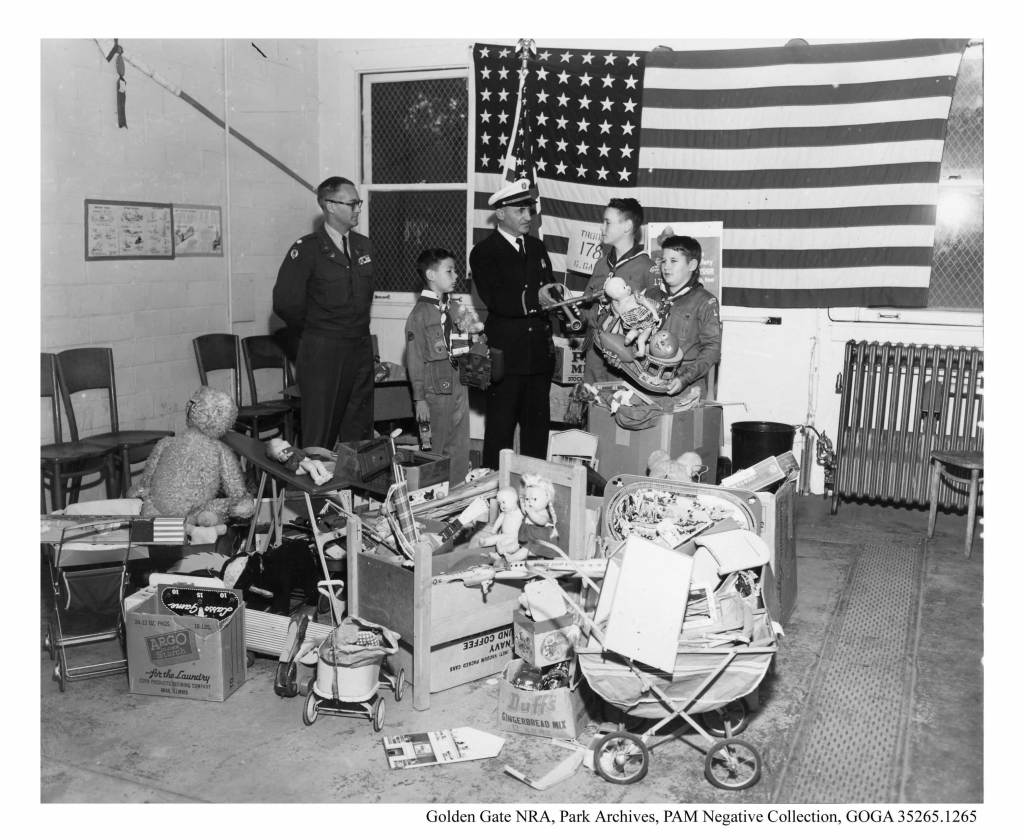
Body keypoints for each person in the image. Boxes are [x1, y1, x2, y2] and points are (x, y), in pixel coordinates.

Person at [272, 176, 375, 450]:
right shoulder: (306, 249)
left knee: (360, 431)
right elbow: (285, 303)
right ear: (330, 205)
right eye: (352, 203)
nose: (357, 209)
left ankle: (355, 492)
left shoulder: (364, 246)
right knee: (320, 431)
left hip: (360, 347)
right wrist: (318, 330)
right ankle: (314, 491)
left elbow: (364, 296)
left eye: (358, 203)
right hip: (323, 349)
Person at [469, 179, 555, 469]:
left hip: (538, 358)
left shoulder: (537, 247)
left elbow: (550, 290)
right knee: (499, 432)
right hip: (506, 360)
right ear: (501, 213)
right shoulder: (483, 252)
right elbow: (498, 301)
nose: (527, 217)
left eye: (529, 210)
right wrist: (537, 298)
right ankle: (494, 493)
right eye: (520, 211)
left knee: (537, 434)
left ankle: (536, 493)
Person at [404, 248, 470, 486]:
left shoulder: (454, 309)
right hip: (434, 391)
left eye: (455, 270)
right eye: (449, 271)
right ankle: (431, 500)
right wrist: (419, 398)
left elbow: (464, 346)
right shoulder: (419, 315)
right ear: (431, 275)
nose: (455, 276)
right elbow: (414, 359)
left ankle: (458, 492)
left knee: (460, 445)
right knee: (433, 448)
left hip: (459, 385)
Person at [581, 198, 656, 383]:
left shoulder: (647, 267)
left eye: (607, 222)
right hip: (593, 357)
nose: (602, 228)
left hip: (623, 361)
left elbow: (655, 320)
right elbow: (586, 308)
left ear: (627, 226)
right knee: (590, 407)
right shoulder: (601, 264)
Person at [642, 235, 722, 396]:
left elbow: (712, 349)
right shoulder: (651, 296)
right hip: (647, 379)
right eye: (663, 261)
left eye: (673, 261)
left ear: (692, 264)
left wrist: (684, 378)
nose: (666, 267)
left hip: (684, 386)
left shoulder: (706, 301)